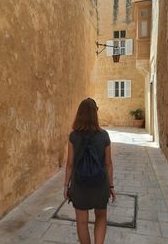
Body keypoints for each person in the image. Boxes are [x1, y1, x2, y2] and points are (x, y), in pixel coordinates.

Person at [63, 98, 116, 244]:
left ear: (79, 114)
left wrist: (66, 186)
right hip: (100, 184)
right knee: (100, 216)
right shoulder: (104, 135)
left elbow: (69, 165)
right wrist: (111, 186)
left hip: (79, 185)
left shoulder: (73, 136)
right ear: (95, 114)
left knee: (82, 222)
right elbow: (108, 163)